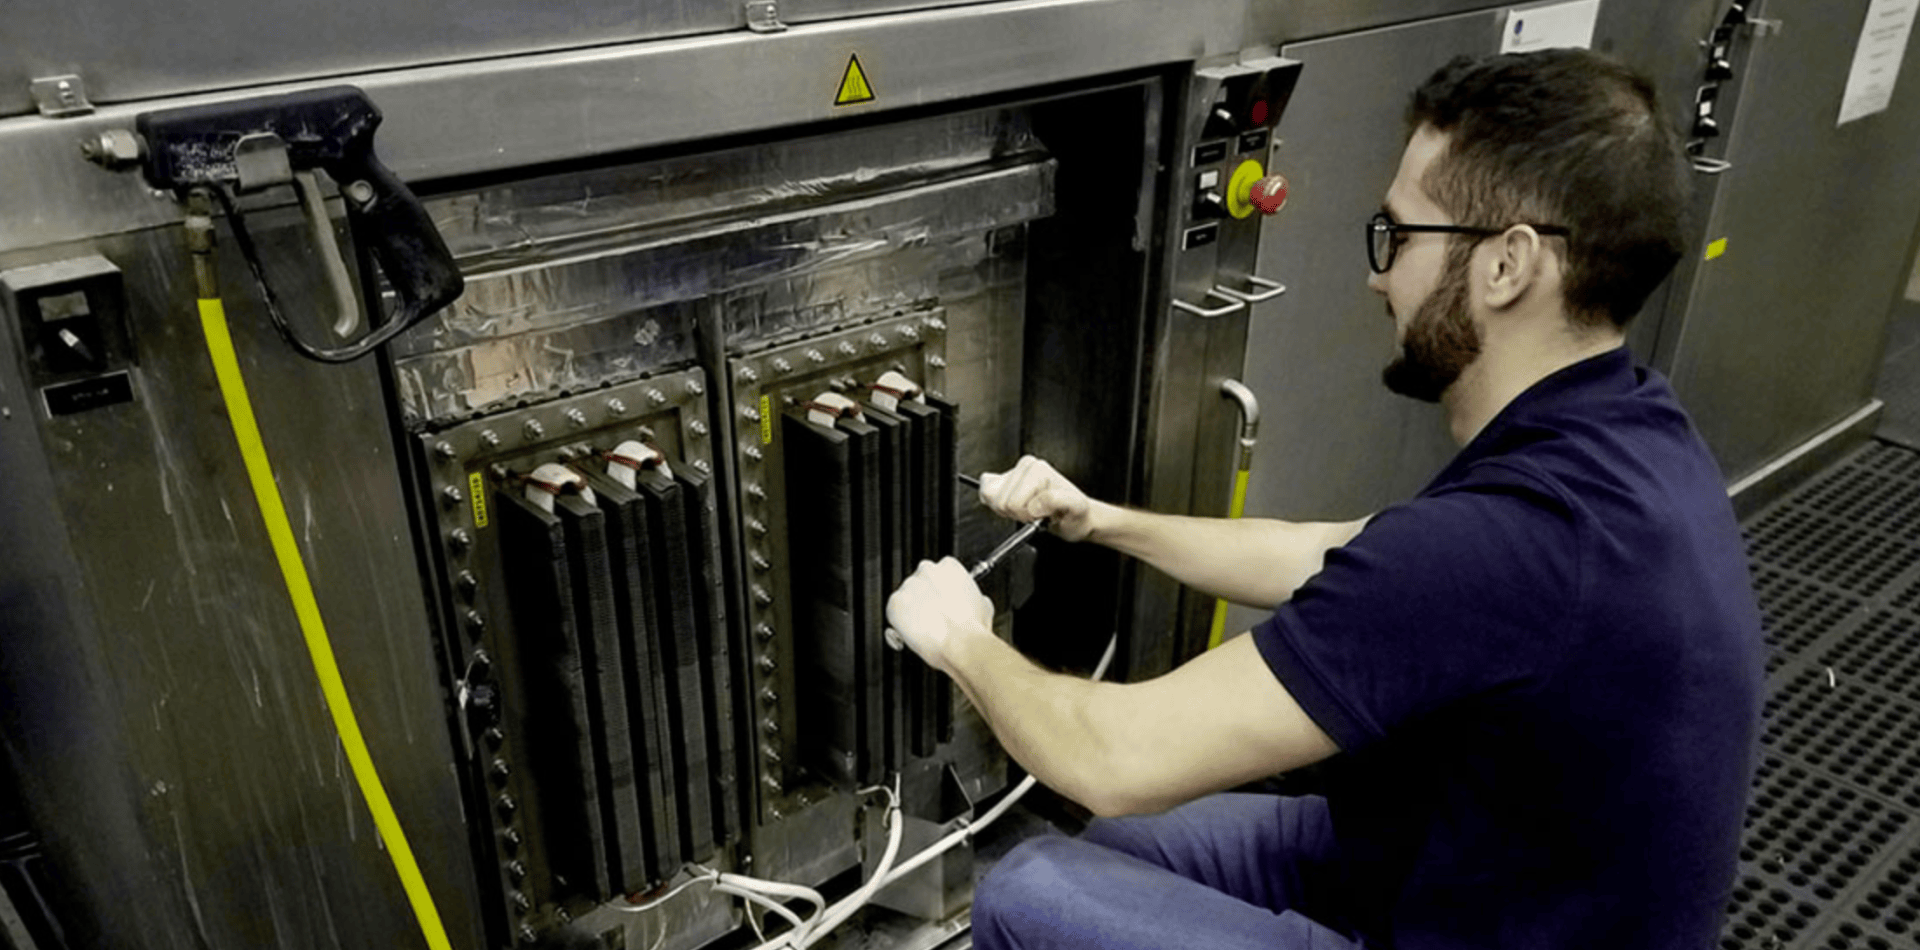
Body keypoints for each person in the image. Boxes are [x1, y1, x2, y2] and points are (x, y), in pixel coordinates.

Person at [883, 48, 1764, 950]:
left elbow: (1114, 759)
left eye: (1399, 236)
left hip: (1473, 920)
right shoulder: (1622, 431)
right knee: (1120, 843)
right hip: (1467, 869)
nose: (1378, 277)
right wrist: (1100, 519)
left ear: (1508, 266)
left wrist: (961, 638)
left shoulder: (1506, 546)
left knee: (1029, 887)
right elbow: (1325, 554)